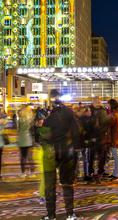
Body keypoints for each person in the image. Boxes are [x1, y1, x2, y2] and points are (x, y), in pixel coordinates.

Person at [40, 89, 80, 220]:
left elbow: (42, 138)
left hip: (50, 153)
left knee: (50, 185)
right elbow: (76, 132)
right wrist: (75, 148)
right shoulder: (69, 112)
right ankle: (70, 213)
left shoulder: (45, 115)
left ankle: (51, 215)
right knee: (67, 183)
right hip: (67, 152)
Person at [17, 104, 36, 178]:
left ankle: (23, 173)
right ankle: (32, 172)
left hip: (22, 139)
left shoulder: (20, 120)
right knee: (30, 157)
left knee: (23, 157)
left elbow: (18, 130)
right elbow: (33, 130)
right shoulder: (31, 120)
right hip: (30, 140)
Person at [107, 99, 118, 179]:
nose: (107, 106)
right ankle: (116, 172)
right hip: (116, 137)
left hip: (115, 138)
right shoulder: (116, 113)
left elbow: (110, 124)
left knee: (116, 155)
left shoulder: (114, 114)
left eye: (108, 104)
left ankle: (117, 173)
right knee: (116, 155)